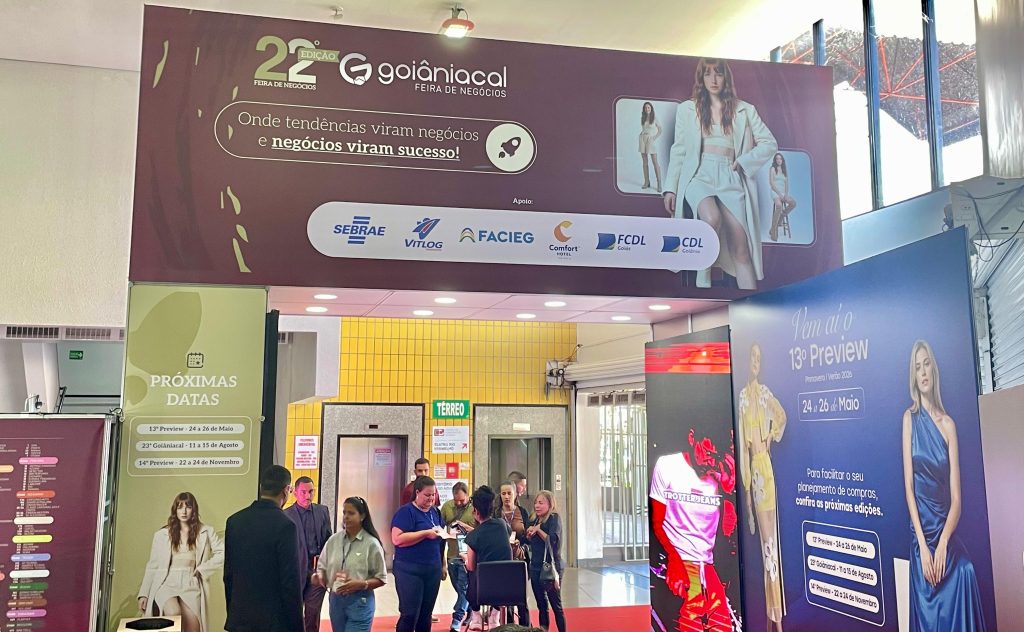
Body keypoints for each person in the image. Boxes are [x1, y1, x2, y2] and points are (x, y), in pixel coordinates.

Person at [663, 58, 778, 290]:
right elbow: (679, 150)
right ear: (701, 78)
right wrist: (670, 188)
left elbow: (769, 143)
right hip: (698, 173)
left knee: (741, 248)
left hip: (730, 174)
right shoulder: (687, 109)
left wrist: (744, 162)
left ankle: (751, 302)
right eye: (707, 74)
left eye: (718, 73)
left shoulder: (745, 109)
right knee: (711, 219)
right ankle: (702, 280)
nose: (713, 79)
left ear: (726, 77)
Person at [902, 340, 986, 631]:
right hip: (921, 537)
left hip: (945, 533)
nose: (923, 372)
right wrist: (924, 549)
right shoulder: (909, 419)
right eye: (917, 367)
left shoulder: (949, 425)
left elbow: (957, 500)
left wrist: (943, 544)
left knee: (966, 571)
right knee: (927, 581)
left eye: (926, 364)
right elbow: (908, 488)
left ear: (933, 370)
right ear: (914, 376)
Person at [650, 431, 737, 632]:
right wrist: (673, 558)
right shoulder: (668, 465)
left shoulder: (717, 474)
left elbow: (728, 530)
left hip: (707, 566)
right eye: (706, 451)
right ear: (691, 438)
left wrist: (729, 491)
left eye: (714, 455)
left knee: (723, 625)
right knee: (690, 620)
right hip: (680, 560)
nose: (709, 459)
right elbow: (657, 521)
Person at [737, 343, 786, 631]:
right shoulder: (743, 398)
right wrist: (746, 491)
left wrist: (770, 436)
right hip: (755, 474)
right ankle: (773, 618)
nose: (756, 361)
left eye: (759, 357)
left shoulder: (765, 393)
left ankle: (775, 619)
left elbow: (781, 417)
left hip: (766, 468)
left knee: (771, 546)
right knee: (766, 547)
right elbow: (744, 451)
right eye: (752, 357)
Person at [224, 465, 303, 632]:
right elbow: (290, 583)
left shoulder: (234, 521)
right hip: (273, 623)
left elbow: (228, 575)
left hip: (240, 620)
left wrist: (233, 615)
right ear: (286, 490)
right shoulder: (286, 526)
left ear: (261, 487)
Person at [138, 492, 223, 632]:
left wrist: (203, 569)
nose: (183, 511)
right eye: (180, 507)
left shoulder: (206, 531)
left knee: (194, 627)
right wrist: (144, 594)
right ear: (175, 510)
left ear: (193, 509)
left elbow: (223, 552)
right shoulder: (162, 534)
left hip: (191, 582)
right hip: (166, 582)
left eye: (188, 507)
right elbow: (152, 565)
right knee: (173, 613)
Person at [316, 496, 388, 632]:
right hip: (336, 601)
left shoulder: (371, 544)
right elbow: (322, 566)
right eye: (344, 512)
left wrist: (362, 584)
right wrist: (320, 576)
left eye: (351, 513)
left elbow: (381, 578)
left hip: (360, 601)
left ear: (362, 516)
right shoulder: (334, 540)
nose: (346, 517)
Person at [391, 475, 446, 632]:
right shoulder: (406, 512)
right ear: (417, 493)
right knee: (410, 614)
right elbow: (397, 539)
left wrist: (443, 565)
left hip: (432, 569)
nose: (431, 498)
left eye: (433, 495)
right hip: (409, 569)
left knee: (425, 614)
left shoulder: (435, 512)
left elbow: (441, 541)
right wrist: (425, 534)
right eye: (427, 495)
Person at [284, 476, 333, 632]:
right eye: (303, 492)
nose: (308, 496)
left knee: (312, 614)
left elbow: (328, 540)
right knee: (294, 614)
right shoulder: (286, 515)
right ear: (295, 493)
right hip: (295, 571)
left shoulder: (322, 511)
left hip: (317, 570)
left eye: (311, 491)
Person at [464, 486, 513, 631]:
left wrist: (464, 558)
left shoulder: (473, 536)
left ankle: (476, 616)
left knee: (470, 572)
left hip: (482, 591)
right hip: (508, 588)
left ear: (475, 511)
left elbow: (471, 566)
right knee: (499, 573)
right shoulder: (503, 525)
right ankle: (494, 616)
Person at [526, 491, 566, 632]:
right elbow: (529, 541)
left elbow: (553, 541)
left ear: (550, 504)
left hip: (551, 566)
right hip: (535, 566)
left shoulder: (554, 518)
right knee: (541, 605)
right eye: (536, 503)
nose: (537, 506)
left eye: (541, 503)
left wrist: (538, 531)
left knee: (556, 605)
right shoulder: (534, 519)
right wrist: (529, 534)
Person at [440, 481, 477, 632]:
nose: (459, 503)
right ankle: (469, 609)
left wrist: (466, 528)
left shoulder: (474, 509)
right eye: (456, 500)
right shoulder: (447, 507)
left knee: (463, 588)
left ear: (468, 495)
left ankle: (457, 619)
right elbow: (440, 527)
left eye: (462, 500)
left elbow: (480, 530)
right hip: (452, 554)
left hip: (468, 555)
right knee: (458, 588)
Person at [494, 480, 531, 627]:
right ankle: (508, 627)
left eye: (509, 493)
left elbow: (528, 536)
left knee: (522, 600)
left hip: (520, 560)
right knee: (506, 599)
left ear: (515, 494)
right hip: (503, 560)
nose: (506, 496)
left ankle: (525, 628)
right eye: (503, 493)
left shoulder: (523, 512)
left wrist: (521, 544)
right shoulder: (496, 513)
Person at [767, 153, 797, 242]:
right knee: (779, 205)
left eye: (780, 159)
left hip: (783, 193)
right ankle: (774, 230)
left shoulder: (784, 170)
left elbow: (786, 184)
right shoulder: (772, 169)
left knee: (793, 203)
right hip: (775, 192)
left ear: (782, 160)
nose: (778, 160)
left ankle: (780, 219)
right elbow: (771, 183)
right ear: (775, 160)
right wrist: (779, 194)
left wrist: (786, 194)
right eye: (777, 159)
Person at [639, 101, 663, 192]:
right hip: (642, 139)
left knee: (655, 162)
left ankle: (659, 183)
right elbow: (644, 129)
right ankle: (647, 182)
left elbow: (660, 130)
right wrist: (641, 134)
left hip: (650, 139)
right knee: (645, 162)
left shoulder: (655, 118)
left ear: (651, 108)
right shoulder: (643, 118)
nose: (647, 109)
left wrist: (654, 138)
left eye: (648, 107)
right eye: (645, 108)